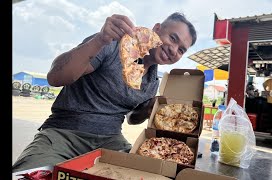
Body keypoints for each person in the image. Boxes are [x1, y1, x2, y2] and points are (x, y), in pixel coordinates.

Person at [12, 12, 197, 172]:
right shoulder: (112, 44)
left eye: (181, 50)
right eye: (173, 38)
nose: (174, 49)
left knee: (149, 171)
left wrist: (148, 109)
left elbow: (132, 118)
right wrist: (100, 39)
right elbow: (55, 77)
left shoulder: (152, 82)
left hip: (111, 141)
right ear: (156, 29)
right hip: (63, 133)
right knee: (30, 173)